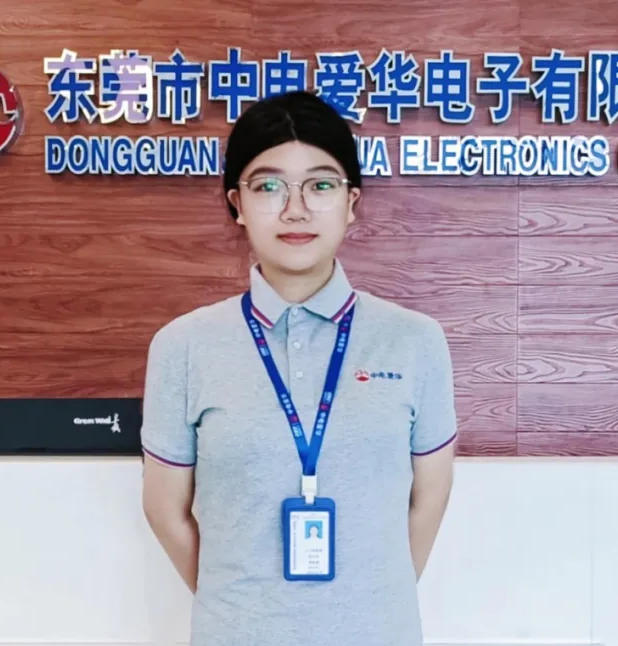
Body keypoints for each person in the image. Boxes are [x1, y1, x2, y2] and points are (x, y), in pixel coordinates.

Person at [140, 89, 457, 646]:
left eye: (320, 185)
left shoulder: (414, 341)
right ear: (237, 204)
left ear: (351, 203)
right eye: (268, 187)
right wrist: (238, 607)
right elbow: (166, 511)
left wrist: (369, 603)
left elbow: (429, 500)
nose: (295, 209)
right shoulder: (183, 346)